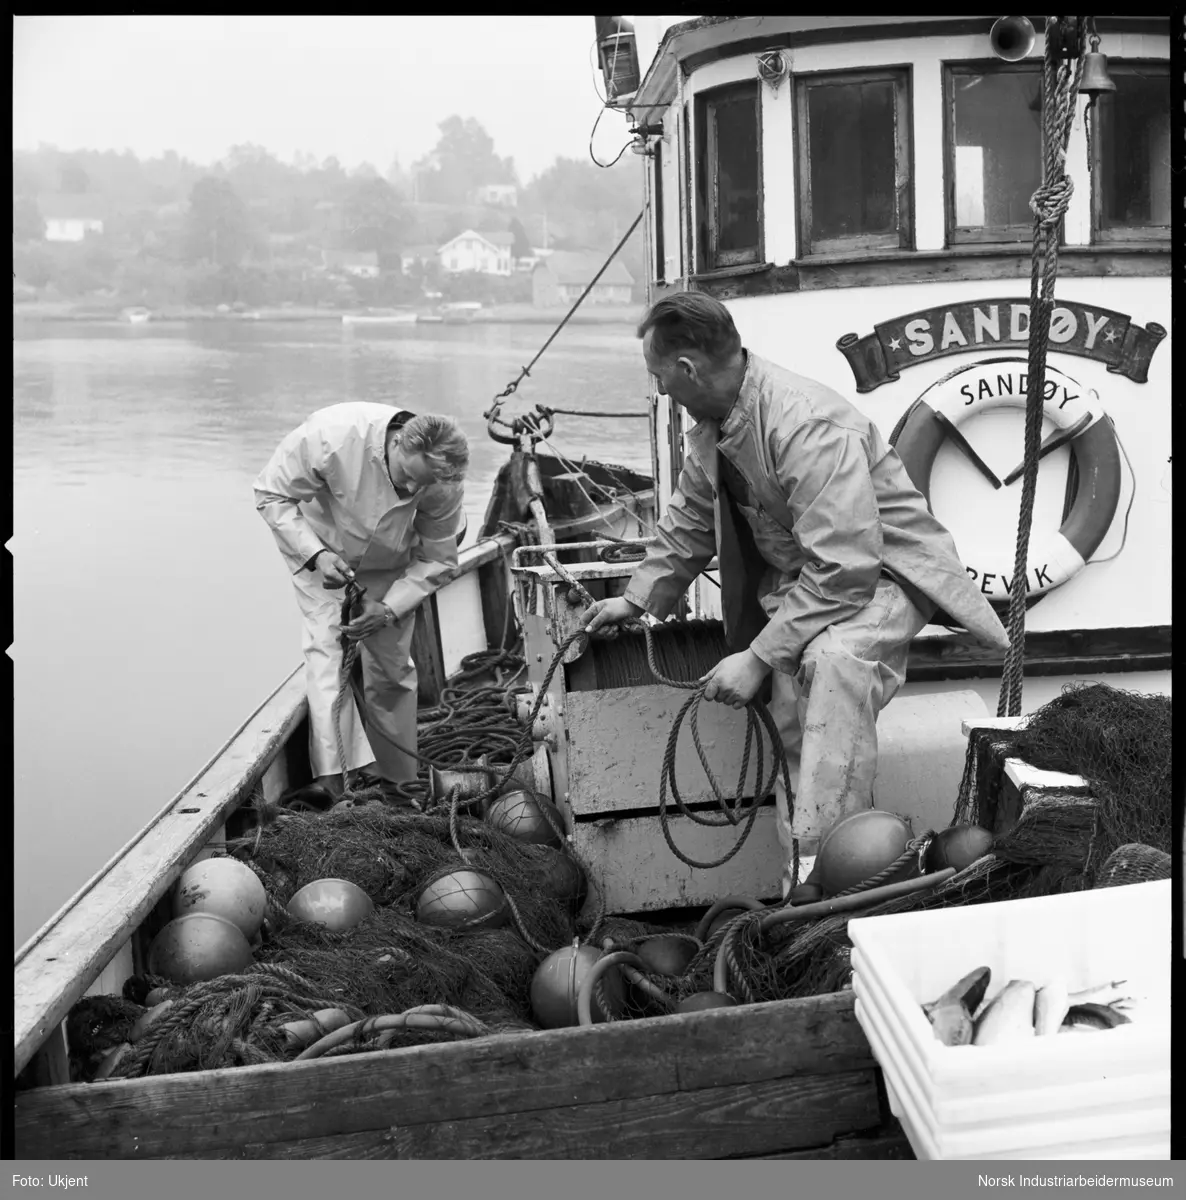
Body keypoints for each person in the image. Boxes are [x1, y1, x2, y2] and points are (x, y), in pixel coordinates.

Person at [580, 294, 1010, 896]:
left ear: (687, 370)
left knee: (832, 665)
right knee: (790, 716)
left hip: (883, 577)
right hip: (808, 585)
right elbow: (691, 517)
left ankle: (833, 880)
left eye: (658, 377)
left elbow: (847, 568)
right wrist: (639, 597)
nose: (660, 391)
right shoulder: (715, 427)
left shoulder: (805, 423)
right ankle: (801, 874)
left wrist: (757, 657)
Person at [255, 403, 469, 799]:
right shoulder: (331, 436)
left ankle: (400, 785)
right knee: (327, 655)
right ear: (398, 442)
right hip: (323, 551)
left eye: (421, 488)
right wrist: (315, 555)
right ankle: (332, 781)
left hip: (393, 564)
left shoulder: (442, 482)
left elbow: (438, 558)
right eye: (407, 476)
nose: (410, 490)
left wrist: (388, 609)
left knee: (391, 671)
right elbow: (271, 494)